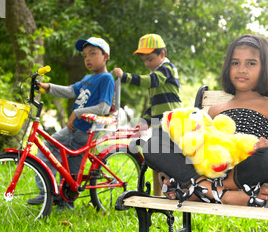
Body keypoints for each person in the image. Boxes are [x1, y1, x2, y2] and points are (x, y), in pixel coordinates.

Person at [143, 34, 268, 207]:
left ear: (265, 68)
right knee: (154, 142)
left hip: (242, 173)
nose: (242, 69)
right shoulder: (216, 109)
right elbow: (200, 144)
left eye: (251, 63)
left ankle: (195, 189)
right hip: (207, 169)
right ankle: (222, 194)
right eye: (235, 63)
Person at [27, 37, 115, 210]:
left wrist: (77, 112)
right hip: (75, 128)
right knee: (50, 149)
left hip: (86, 130)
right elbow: (69, 91)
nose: (88, 58)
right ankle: (51, 193)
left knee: (69, 164)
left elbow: (104, 107)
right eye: (84, 56)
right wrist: (47, 87)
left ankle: (60, 200)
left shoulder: (106, 79)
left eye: (93, 54)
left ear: (105, 57)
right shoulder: (88, 78)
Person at [113, 33, 183, 195]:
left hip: (172, 122)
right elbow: (154, 105)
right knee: (156, 159)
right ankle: (158, 197)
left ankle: (174, 192)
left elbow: (150, 81)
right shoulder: (158, 73)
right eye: (144, 60)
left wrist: (125, 77)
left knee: (168, 159)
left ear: (162, 54)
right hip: (160, 124)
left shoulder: (167, 69)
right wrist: (144, 121)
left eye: (150, 59)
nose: (146, 63)